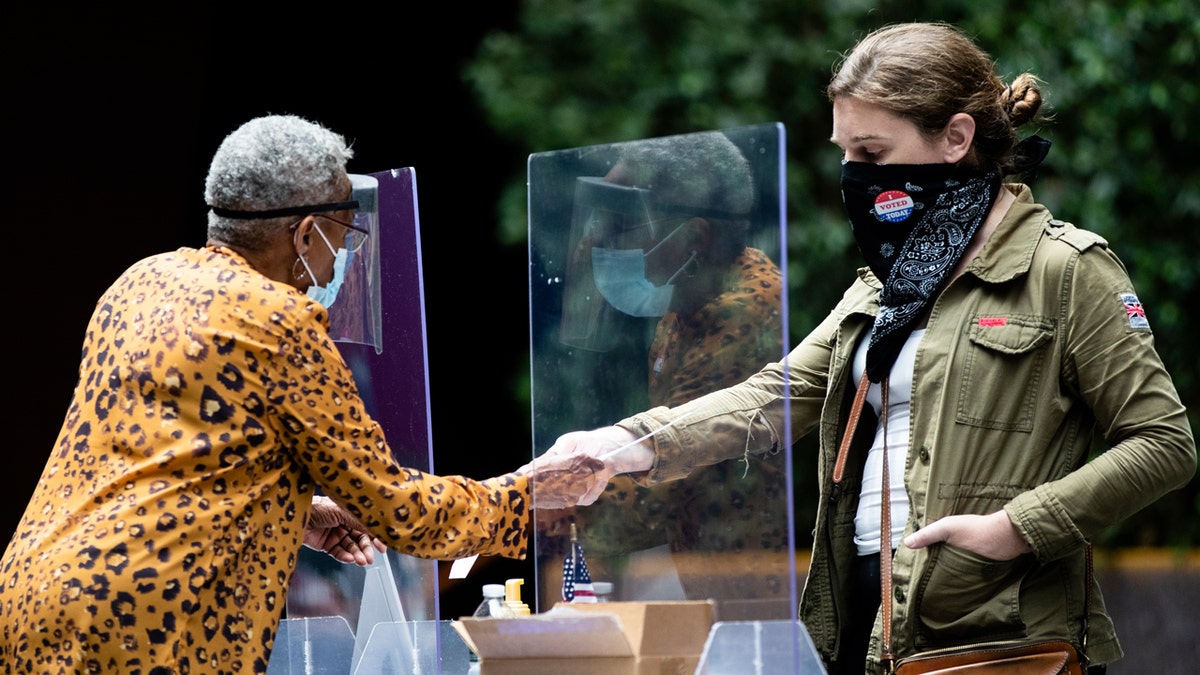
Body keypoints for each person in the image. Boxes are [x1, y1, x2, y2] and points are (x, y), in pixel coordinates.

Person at [536, 22, 1196, 674]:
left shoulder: (1065, 269)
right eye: (845, 153)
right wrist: (620, 444)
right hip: (865, 618)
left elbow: (1164, 442)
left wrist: (1015, 527)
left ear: (956, 138)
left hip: (996, 631)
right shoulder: (881, 287)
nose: (853, 174)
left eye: (873, 154)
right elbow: (773, 395)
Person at [0, 115, 558, 674]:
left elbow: (165, 462)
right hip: (149, 618)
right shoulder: (278, 319)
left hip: (37, 592)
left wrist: (294, 511)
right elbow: (394, 505)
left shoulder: (139, 283)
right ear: (307, 233)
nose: (337, 263)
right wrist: (527, 497)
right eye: (343, 240)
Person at [541, 131, 789, 608]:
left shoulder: (746, 313)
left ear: (695, 237)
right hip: (713, 584)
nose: (600, 241)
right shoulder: (687, 304)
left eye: (622, 223)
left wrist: (521, 506)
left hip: (763, 592)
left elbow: (663, 487)